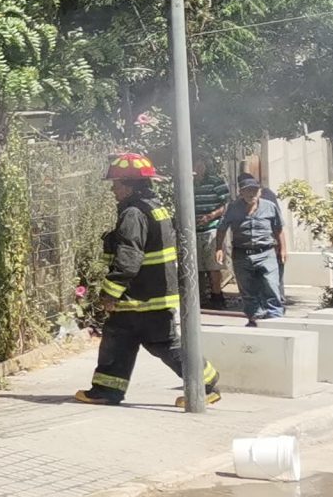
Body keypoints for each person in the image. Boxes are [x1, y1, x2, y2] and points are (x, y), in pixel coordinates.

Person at [79, 153, 222, 407]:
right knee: (119, 340)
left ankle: (205, 385)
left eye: (117, 183)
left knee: (163, 344)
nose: (113, 189)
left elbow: (129, 257)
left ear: (130, 185)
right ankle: (105, 390)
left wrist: (110, 293)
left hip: (142, 298)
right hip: (149, 294)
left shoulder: (133, 213)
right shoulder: (154, 208)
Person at [214, 171, 288, 326]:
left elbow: (278, 229)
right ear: (241, 193)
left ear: (260, 192)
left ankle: (276, 320)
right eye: (247, 191)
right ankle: (255, 320)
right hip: (242, 254)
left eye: (254, 191)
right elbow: (222, 229)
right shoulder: (233, 208)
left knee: (271, 287)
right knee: (248, 291)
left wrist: (283, 249)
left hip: (266, 252)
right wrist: (218, 248)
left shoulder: (270, 207)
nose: (251, 194)